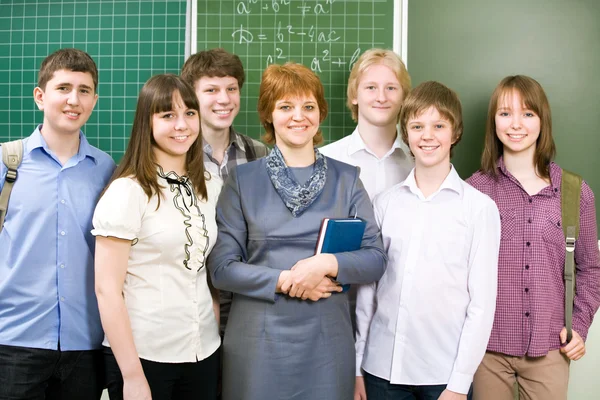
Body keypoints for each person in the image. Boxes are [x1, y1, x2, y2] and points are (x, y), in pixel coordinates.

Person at [207, 62, 387, 400]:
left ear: (320, 113)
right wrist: (287, 280)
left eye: (308, 107)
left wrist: (325, 265)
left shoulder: (347, 180)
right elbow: (221, 269)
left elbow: (375, 258)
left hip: (327, 346)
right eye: (285, 107)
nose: (298, 116)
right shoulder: (242, 181)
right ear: (269, 114)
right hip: (256, 345)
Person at [355, 81, 501, 400]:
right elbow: (368, 293)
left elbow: (481, 305)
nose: (428, 135)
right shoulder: (384, 203)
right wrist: (357, 366)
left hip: (444, 375)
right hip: (381, 370)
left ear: (455, 132)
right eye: (417, 126)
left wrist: (459, 384)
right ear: (406, 133)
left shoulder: (479, 210)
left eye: (439, 125)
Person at [467, 75, 600, 400]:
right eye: (505, 113)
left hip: (551, 348)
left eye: (527, 113)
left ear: (543, 121)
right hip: (486, 351)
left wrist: (579, 326)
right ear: (493, 122)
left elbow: (592, 270)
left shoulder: (574, 192)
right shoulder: (473, 191)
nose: (516, 124)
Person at [93, 74, 221, 400]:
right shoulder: (128, 191)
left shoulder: (209, 182)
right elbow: (106, 289)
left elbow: (206, 271)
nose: (182, 125)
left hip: (203, 350)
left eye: (189, 114)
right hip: (146, 356)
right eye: (168, 115)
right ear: (146, 122)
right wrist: (133, 376)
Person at [0, 48, 116, 399]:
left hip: (86, 345)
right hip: (14, 341)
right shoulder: (6, 162)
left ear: (94, 100)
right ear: (40, 96)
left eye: (84, 90)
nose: (73, 99)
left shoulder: (107, 170)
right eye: (63, 87)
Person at [320, 48, 414, 332]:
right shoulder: (326, 160)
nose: (381, 97)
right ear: (354, 95)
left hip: (401, 305)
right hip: (336, 301)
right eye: (371, 87)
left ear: (404, 97)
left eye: (391, 88)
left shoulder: (419, 161)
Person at [181, 47, 269, 336]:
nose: (224, 99)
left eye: (231, 88)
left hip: (248, 301)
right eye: (211, 90)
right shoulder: (175, 156)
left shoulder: (259, 154)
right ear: (191, 97)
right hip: (190, 304)